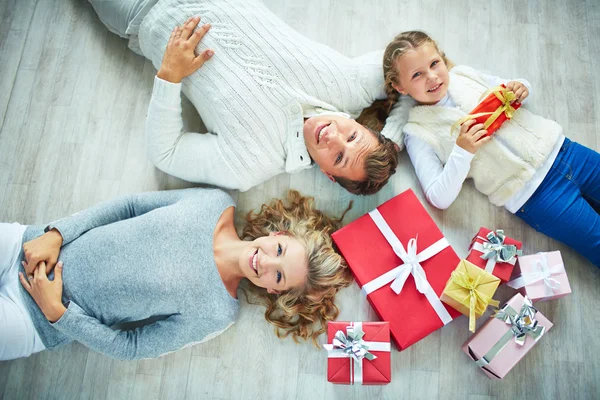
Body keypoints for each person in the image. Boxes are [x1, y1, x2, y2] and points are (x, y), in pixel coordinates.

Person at [88, 0, 412, 195]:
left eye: (339, 158)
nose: (334, 137)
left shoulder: (248, 164)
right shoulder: (350, 85)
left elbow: (167, 153)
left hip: (143, 11)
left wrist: (170, 75)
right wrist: (395, 135)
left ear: (328, 173)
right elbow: (421, 68)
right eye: (352, 135)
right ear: (361, 124)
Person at [0, 188, 352, 361]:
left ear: (275, 292)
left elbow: (131, 347)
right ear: (280, 236)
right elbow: (129, 207)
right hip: (28, 243)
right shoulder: (215, 202)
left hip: (33, 322)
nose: (265, 263)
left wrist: (58, 315)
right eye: (279, 252)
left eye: (278, 277)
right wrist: (56, 233)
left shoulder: (217, 312)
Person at [369, 30, 600, 266]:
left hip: (567, 152)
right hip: (536, 197)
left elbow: (510, 87)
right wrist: (462, 150)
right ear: (400, 87)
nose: (431, 76)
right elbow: (438, 197)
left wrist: (521, 86)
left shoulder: (463, 75)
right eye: (417, 74)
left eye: (434, 63)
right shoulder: (417, 131)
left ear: (441, 56)